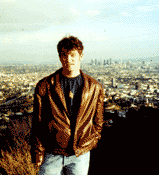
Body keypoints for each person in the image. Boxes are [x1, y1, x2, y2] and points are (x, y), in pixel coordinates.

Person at [30, 35, 105, 175]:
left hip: (80, 153)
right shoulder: (45, 86)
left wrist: (91, 141)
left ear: (81, 56)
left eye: (72, 55)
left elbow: (98, 121)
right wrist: (37, 151)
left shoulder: (95, 87)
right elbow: (38, 122)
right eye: (64, 55)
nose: (68, 59)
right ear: (59, 57)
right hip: (51, 152)